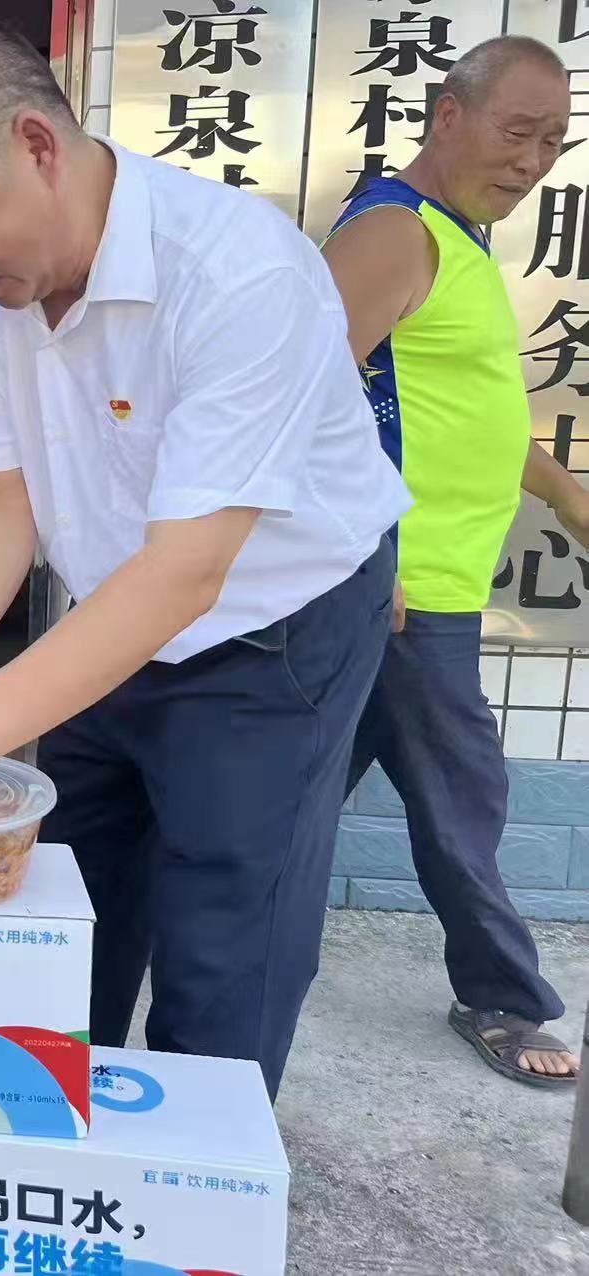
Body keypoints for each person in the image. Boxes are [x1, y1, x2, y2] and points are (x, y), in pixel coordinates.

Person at [0, 14, 410, 1156]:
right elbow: (3, 487)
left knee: (225, 920)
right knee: (66, 889)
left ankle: (183, 1167)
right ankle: (29, 1114)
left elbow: (187, 573)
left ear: (36, 144)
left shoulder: (238, 272)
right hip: (109, 611)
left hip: (272, 628)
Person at [323, 35, 580, 1087]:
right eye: (516, 132)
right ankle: (504, 995)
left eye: (552, 143)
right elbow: (297, 403)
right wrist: (361, 554)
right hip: (402, 593)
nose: (531, 161)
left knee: (285, 798)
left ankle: (140, 927)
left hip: (423, 591)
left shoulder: (455, 242)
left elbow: (472, 413)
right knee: (462, 798)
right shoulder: (393, 233)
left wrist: (567, 498)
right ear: (448, 114)